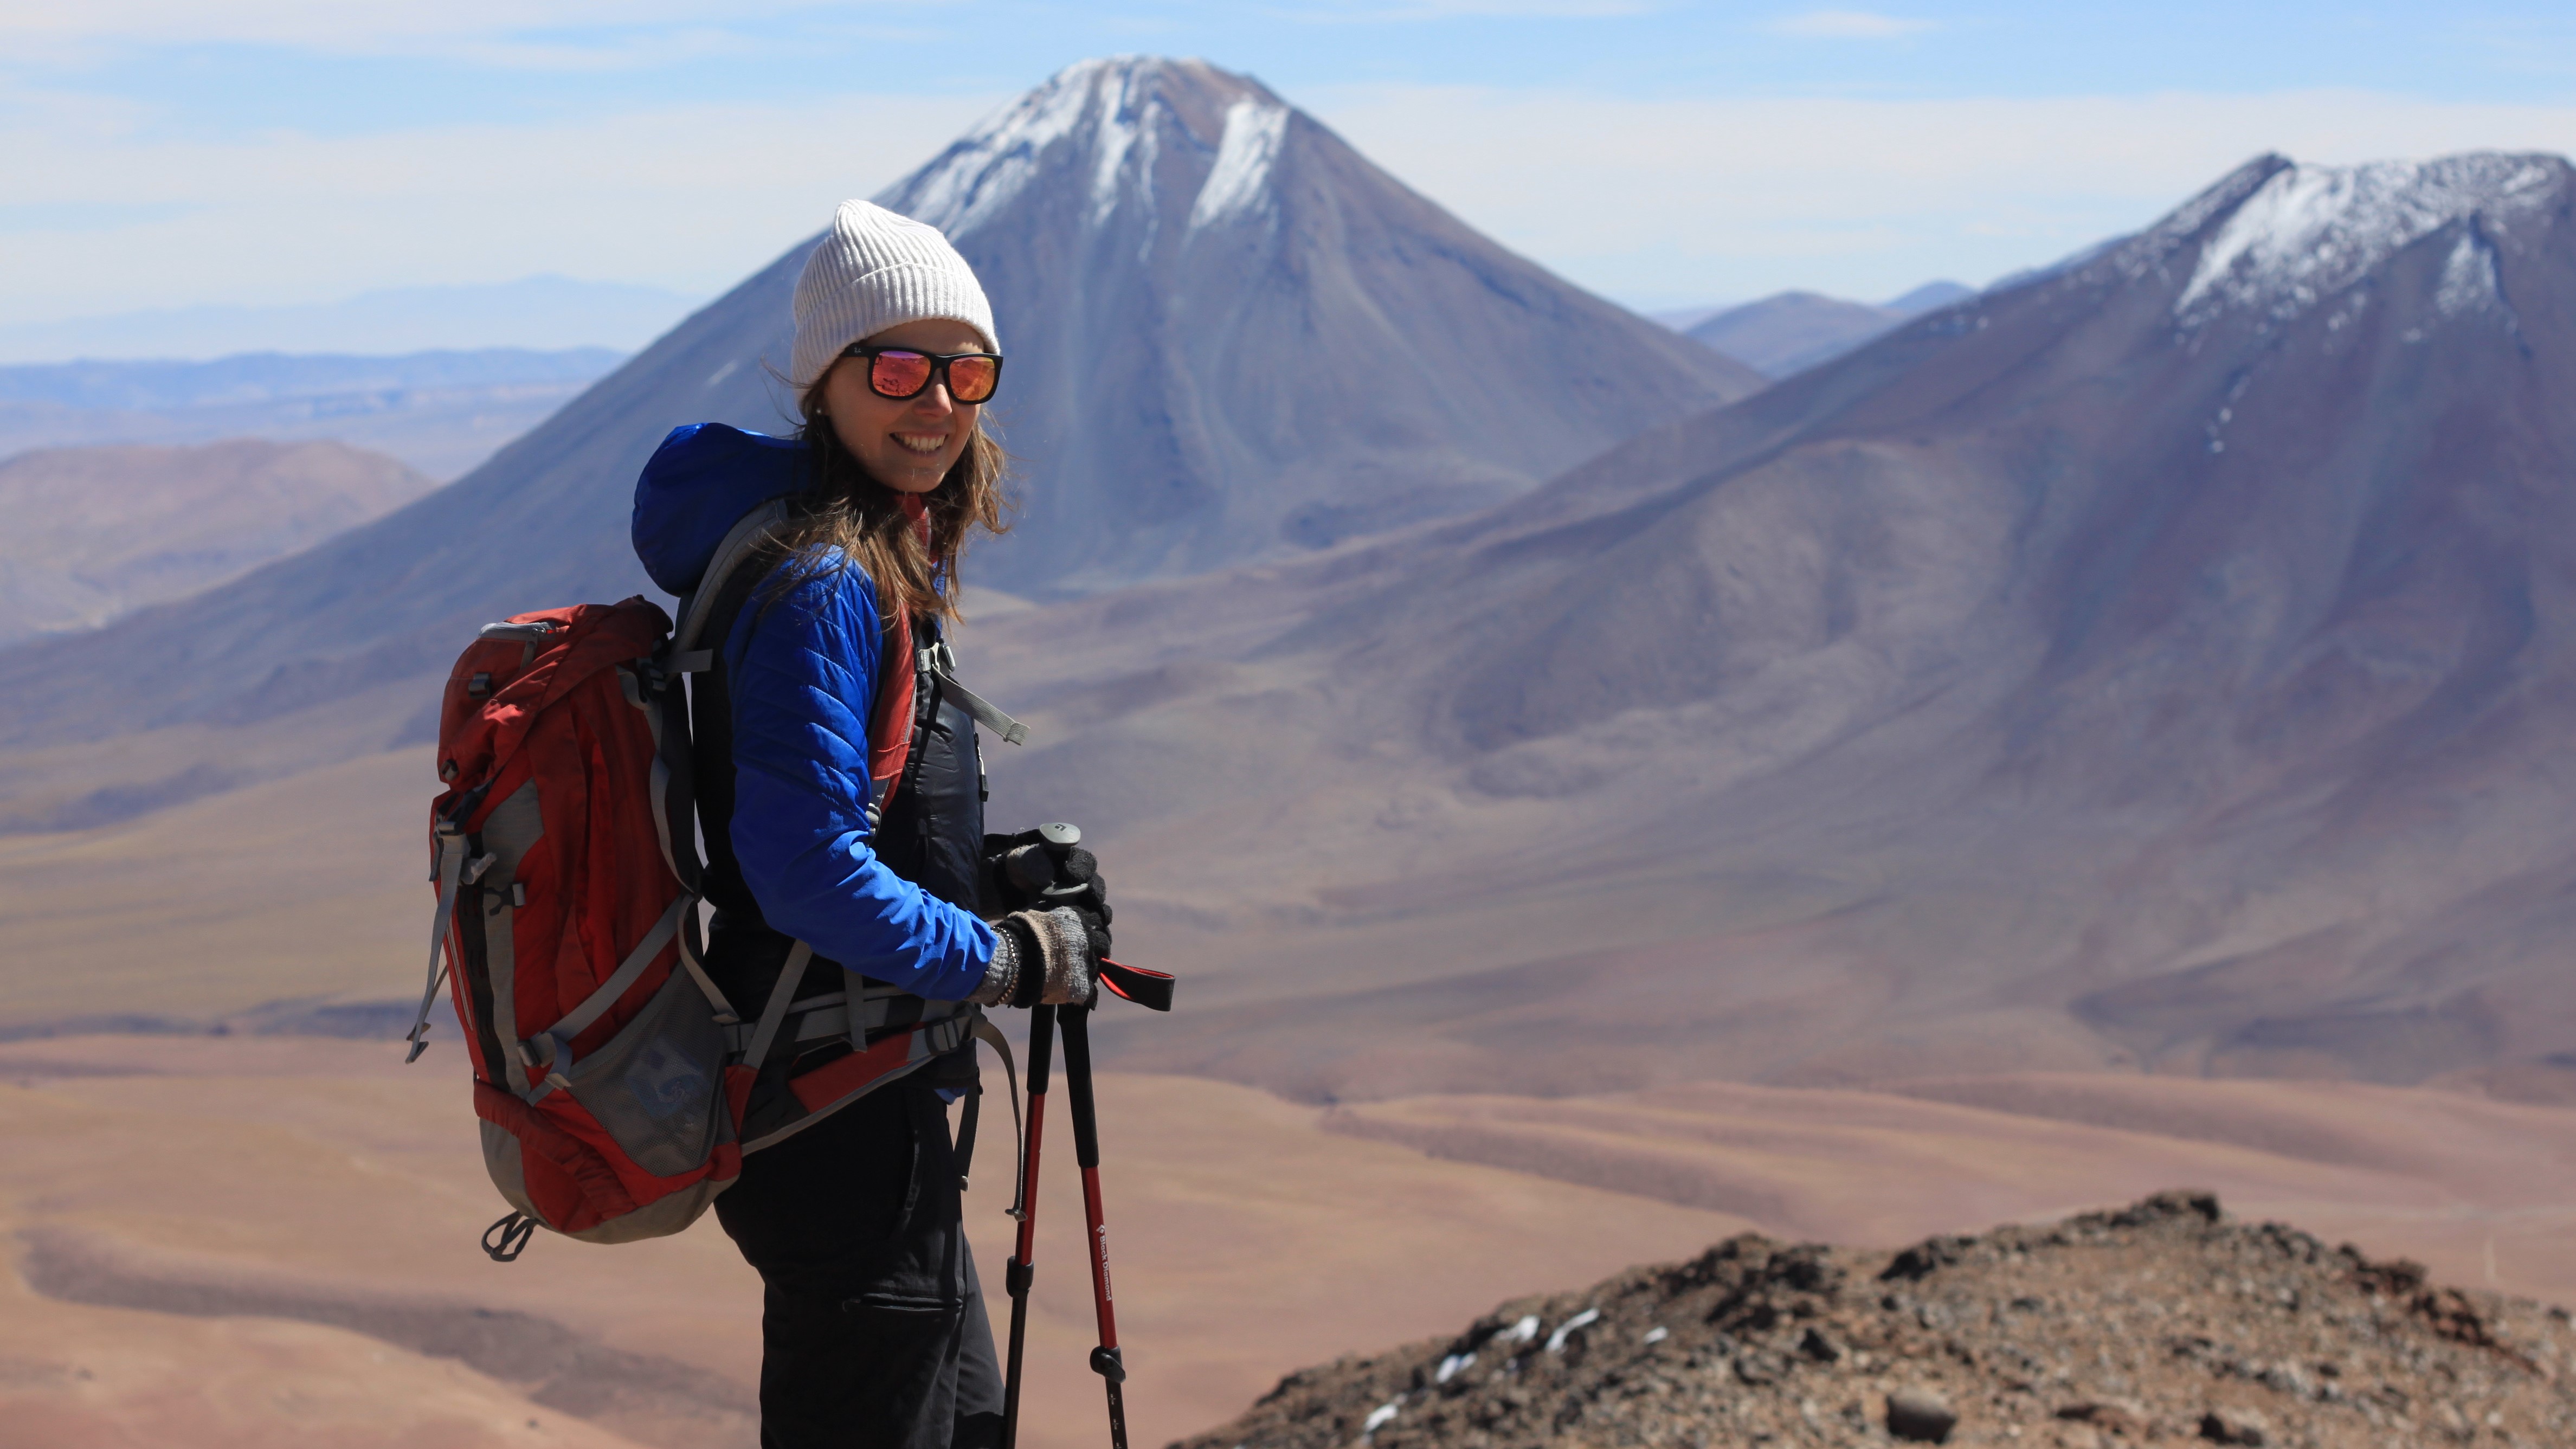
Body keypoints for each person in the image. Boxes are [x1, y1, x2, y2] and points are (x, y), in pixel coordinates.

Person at [630, 199, 1106, 1449]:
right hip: (842, 1125)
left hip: (872, 1111)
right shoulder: (824, 578)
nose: (937, 400)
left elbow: (844, 814)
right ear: (822, 384)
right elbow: (803, 869)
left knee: (967, 1426)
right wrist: (1002, 956)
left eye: (965, 370)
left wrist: (987, 876)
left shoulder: (866, 553)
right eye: (895, 366)